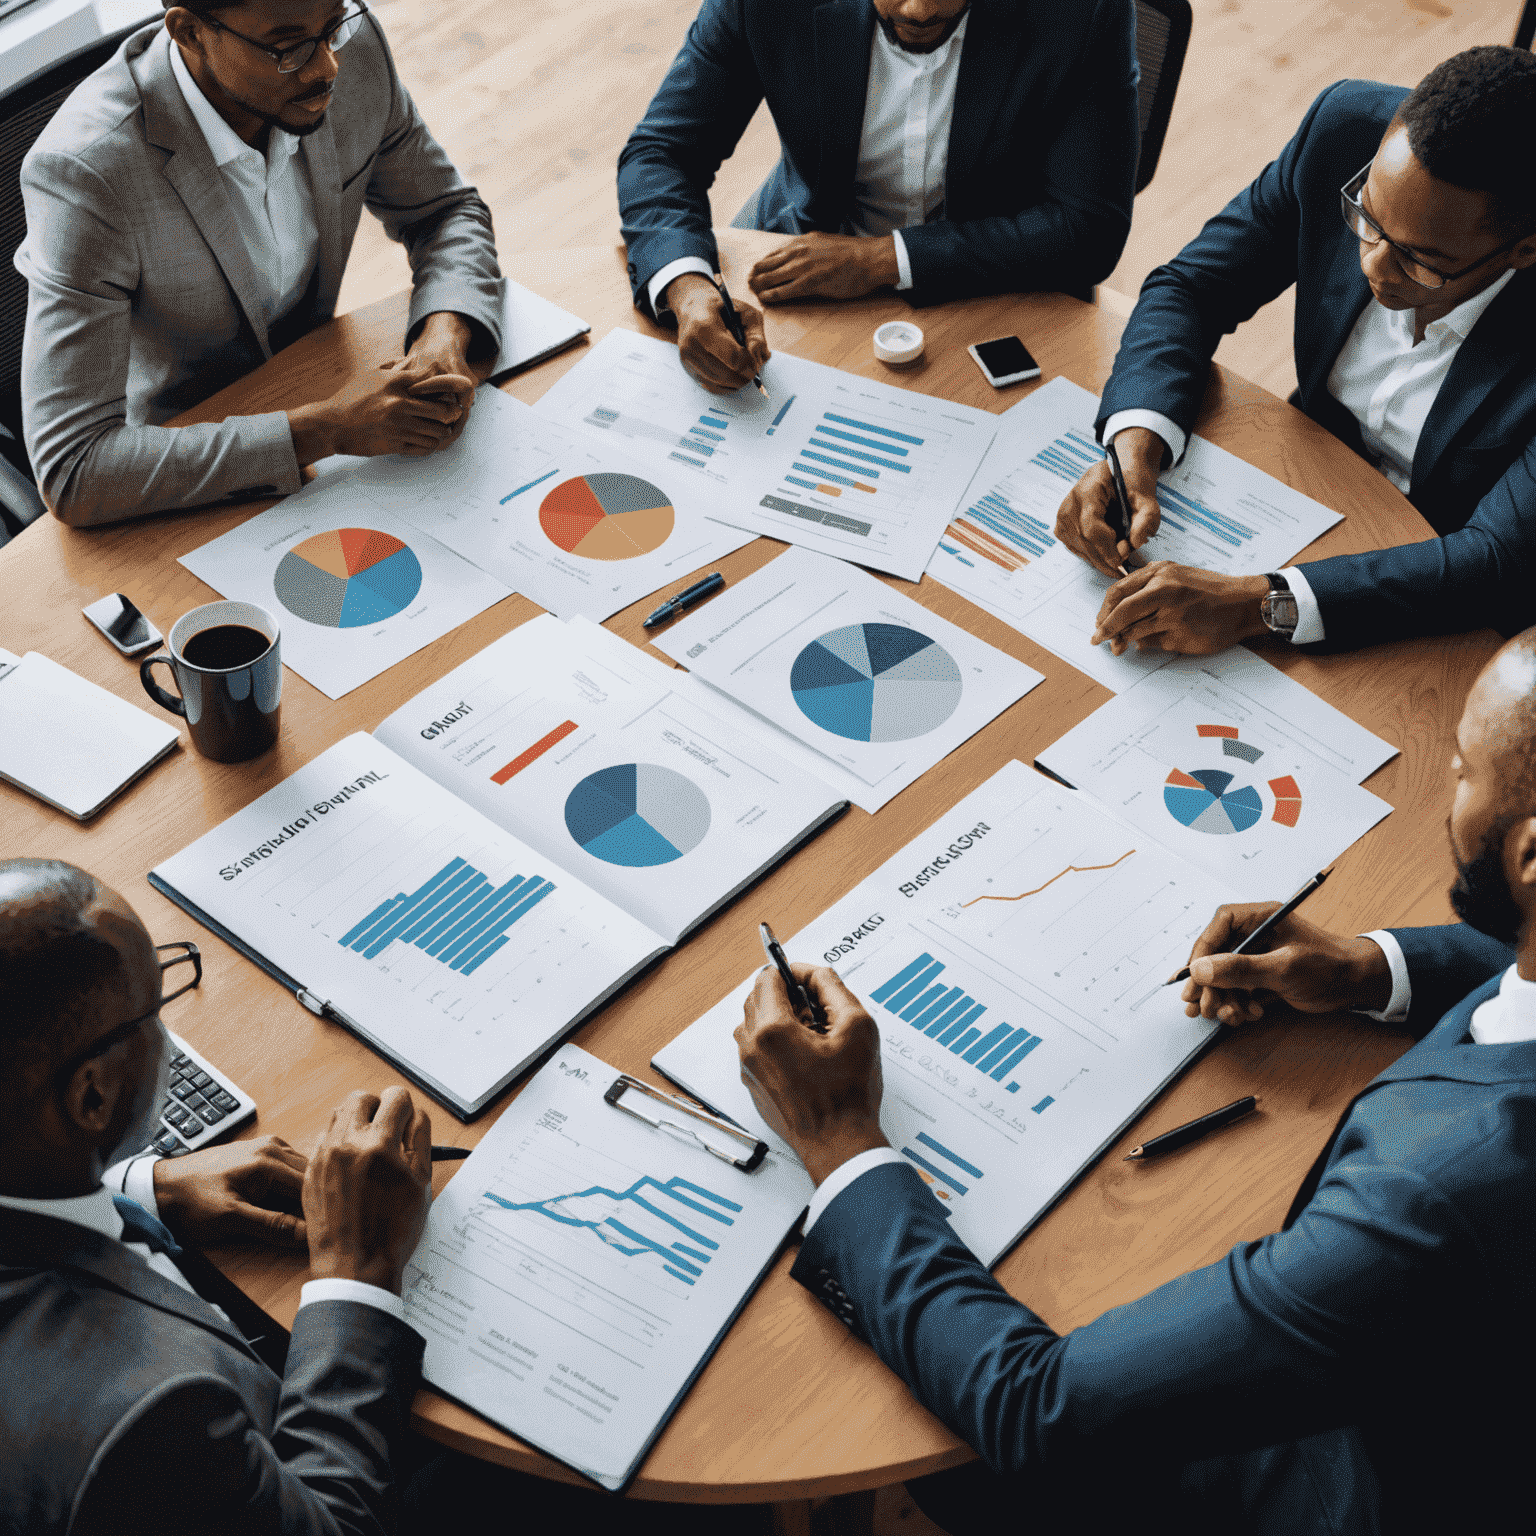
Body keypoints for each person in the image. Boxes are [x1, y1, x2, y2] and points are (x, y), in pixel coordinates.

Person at [732, 629, 1536, 1534]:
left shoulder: (1433, 1195)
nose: (1447, 794)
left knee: (953, 1454)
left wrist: (841, 1140)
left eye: (1464, 771)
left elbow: (1033, 1406)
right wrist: (1362, 968)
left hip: (1372, 1484)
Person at [1051, 46, 1536, 658]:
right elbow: (1194, 287)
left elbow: (1496, 558)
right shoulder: (1346, 129)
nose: (1372, 266)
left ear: (1524, 250)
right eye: (1368, 218)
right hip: (1303, 488)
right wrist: (1135, 446)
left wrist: (1261, 605)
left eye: (1422, 260)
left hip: (1448, 598)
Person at [15, 2, 505, 527]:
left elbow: (445, 212)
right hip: (180, 478)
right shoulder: (90, 173)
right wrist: (328, 430)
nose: (326, 68)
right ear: (189, 33)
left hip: (320, 398)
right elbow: (75, 469)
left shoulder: (352, 53)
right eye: (288, 46)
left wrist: (444, 336)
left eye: (333, 24)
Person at [617, 0, 1138, 393]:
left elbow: (1090, 229)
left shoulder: (1086, 8)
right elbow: (663, 151)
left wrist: (884, 259)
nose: (919, 9)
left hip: (999, 286)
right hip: (800, 259)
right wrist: (686, 286)